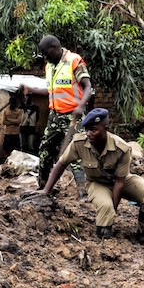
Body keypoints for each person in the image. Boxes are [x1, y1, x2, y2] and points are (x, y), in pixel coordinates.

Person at [35, 108, 144, 243]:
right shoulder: (79, 143)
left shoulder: (121, 148)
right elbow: (61, 164)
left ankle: (143, 234)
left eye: (93, 129)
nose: (89, 133)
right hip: (97, 183)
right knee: (106, 207)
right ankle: (104, 241)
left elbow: (120, 181)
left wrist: (114, 208)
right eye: (87, 129)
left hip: (121, 180)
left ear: (105, 128)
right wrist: (46, 190)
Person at [20, 35, 93, 188]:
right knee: (45, 150)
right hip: (55, 116)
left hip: (74, 116)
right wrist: (30, 89)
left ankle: (83, 192)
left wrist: (81, 105)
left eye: (46, 53)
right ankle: (43, 187)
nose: (45, 57)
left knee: (76, 154)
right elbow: (52, 91)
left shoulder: (74, 61)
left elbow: (87, 86)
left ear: (54, 47)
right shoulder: (50, 66)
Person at [2, 93, 23, 158]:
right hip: (7, 133)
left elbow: (19, 121)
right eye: (11, 103)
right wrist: (14, 121)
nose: (12, 105)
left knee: (16, 149)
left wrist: (9, 119)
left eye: (14, 103)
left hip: (15, 133)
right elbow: (4, 122)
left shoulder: (19, 111)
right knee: (6, 149)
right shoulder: (5, 111)